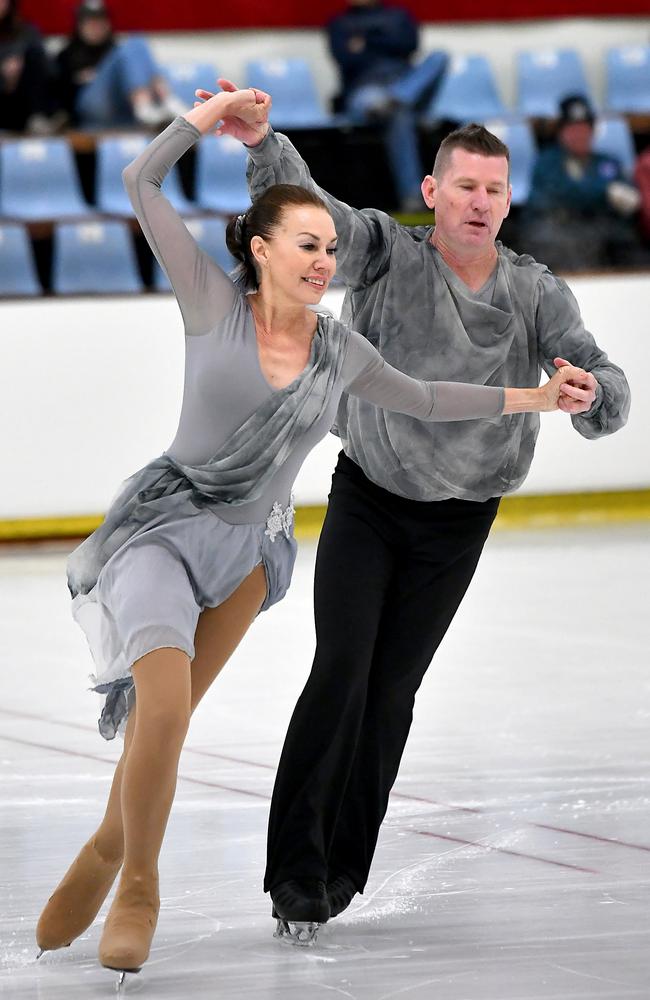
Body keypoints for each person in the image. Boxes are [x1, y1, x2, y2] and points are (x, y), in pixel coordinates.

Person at [33, 87, 578, 978]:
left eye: (330, 248)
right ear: (260, 248)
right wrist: (206, 122)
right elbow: (140, 180)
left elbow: (431, 400)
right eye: (308, 244)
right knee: (163, 712)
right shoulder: (209, 300)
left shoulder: (339, 349)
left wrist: (537, 399)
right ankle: (136, 882)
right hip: (163, 536)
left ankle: (102, 846)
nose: (326, 261)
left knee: (166, 731)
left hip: (248, 559)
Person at [198, 78, 631, 939]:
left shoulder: (535, 293)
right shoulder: (390, 253)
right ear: (433, 193)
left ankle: (342, 873)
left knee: (392, 693)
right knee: (342, 673)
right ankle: (295, 874)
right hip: (369, 501)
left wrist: (589, 395)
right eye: (463, 185)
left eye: (494, 188)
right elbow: (309, 213)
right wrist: (261, 146)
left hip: (459, 523)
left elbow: (604, 382)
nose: (479, 201)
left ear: (511, 201)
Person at [327, 0, 446, 212]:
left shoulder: (399, 15)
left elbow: (408, 44)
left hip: (404, 82)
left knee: (439, 57)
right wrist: (385, 37)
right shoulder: (339, 23)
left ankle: (397, 98)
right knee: (396, 114)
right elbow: (346, 58)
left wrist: (366, 40)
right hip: (365, 90)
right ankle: (411, 197)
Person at [524, 94, 645, 271]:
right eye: (573, 129)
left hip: (604, 237)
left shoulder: (608, 163)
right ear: (561, 132)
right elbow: (559, 195)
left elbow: (629, 198)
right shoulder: (546, 163)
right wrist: (604, 191)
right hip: (562, 238)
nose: (579, 135)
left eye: (584, 129)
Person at [56, 0, 185, 128]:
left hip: (121, 107)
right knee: (132, 45)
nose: (96, 27)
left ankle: (165, 100)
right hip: (89, 110)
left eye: (100, 21)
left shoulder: (117, 50)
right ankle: (147, 105)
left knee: (136, 40)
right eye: (90, 22)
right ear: (79, 26)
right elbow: (60, 96)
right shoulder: (67, 54)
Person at [0, 0, 63, 133]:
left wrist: (20, 67)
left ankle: (39, 118)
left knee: (34, 55)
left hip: (23, 103)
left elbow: (51, 71)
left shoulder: (27, 31)